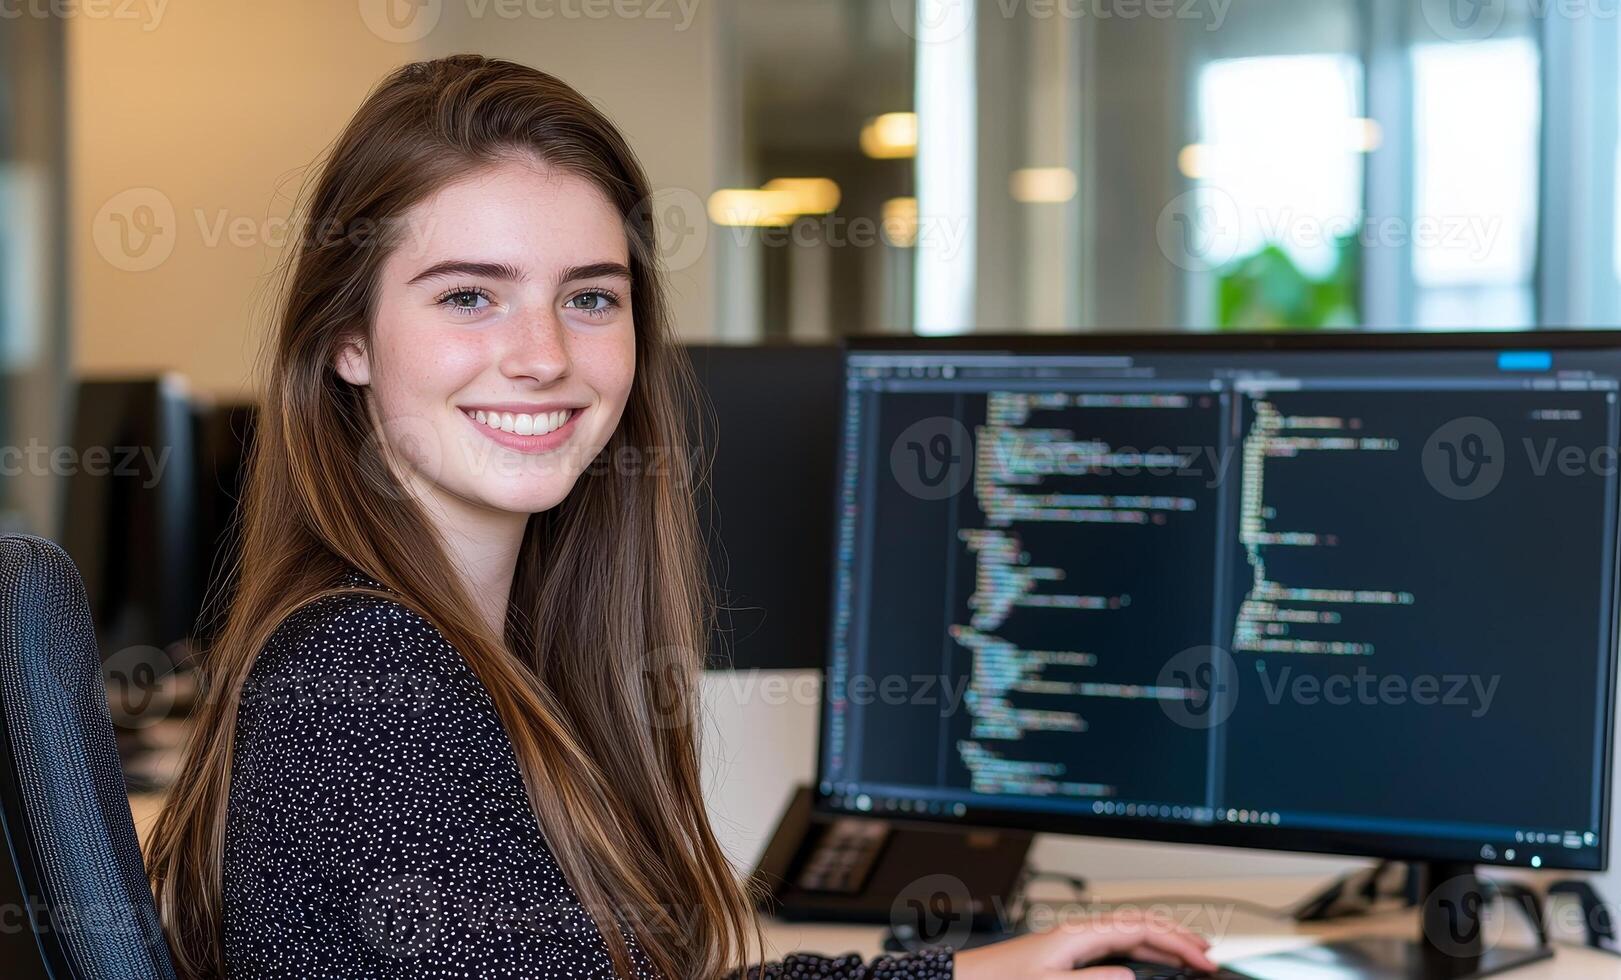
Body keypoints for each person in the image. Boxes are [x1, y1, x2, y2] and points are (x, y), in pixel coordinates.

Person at [144, 55, 1220, 979]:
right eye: (469, 294)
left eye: (590, 296)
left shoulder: (462, 652)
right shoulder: (369, 680)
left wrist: (964, 967)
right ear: (349, 342)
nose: (544, 354)